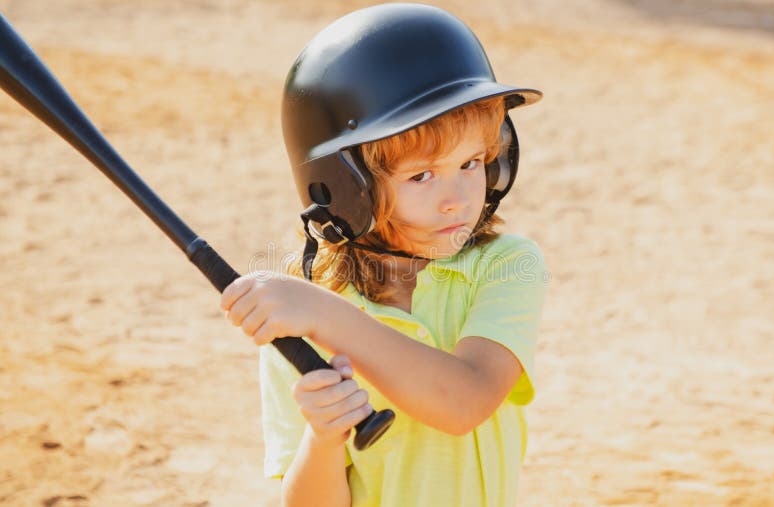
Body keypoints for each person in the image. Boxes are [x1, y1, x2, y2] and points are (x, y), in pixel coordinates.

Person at [219, 4, 547, 506]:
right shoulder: (298, 308)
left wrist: (326, 316)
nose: (458, 197)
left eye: (472, 162)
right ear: (345, 188)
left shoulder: (504, 265)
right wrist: (324, 438)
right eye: (421, 175)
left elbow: (464, 401)